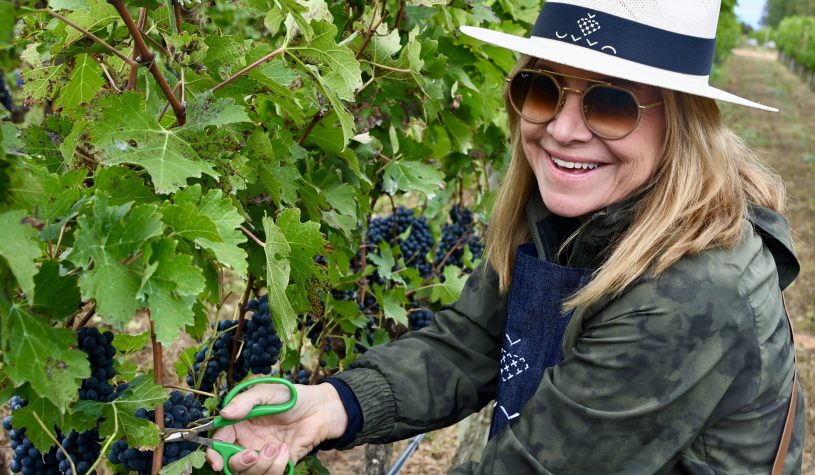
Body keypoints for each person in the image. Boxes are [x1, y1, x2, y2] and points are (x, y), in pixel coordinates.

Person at [206, 0, 805, 473]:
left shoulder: (693, 291)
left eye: (610, 103)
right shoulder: (576, 214)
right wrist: (335, 404)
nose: (562, 130)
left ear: (682, 119)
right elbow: (471, 343)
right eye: (542, 90)